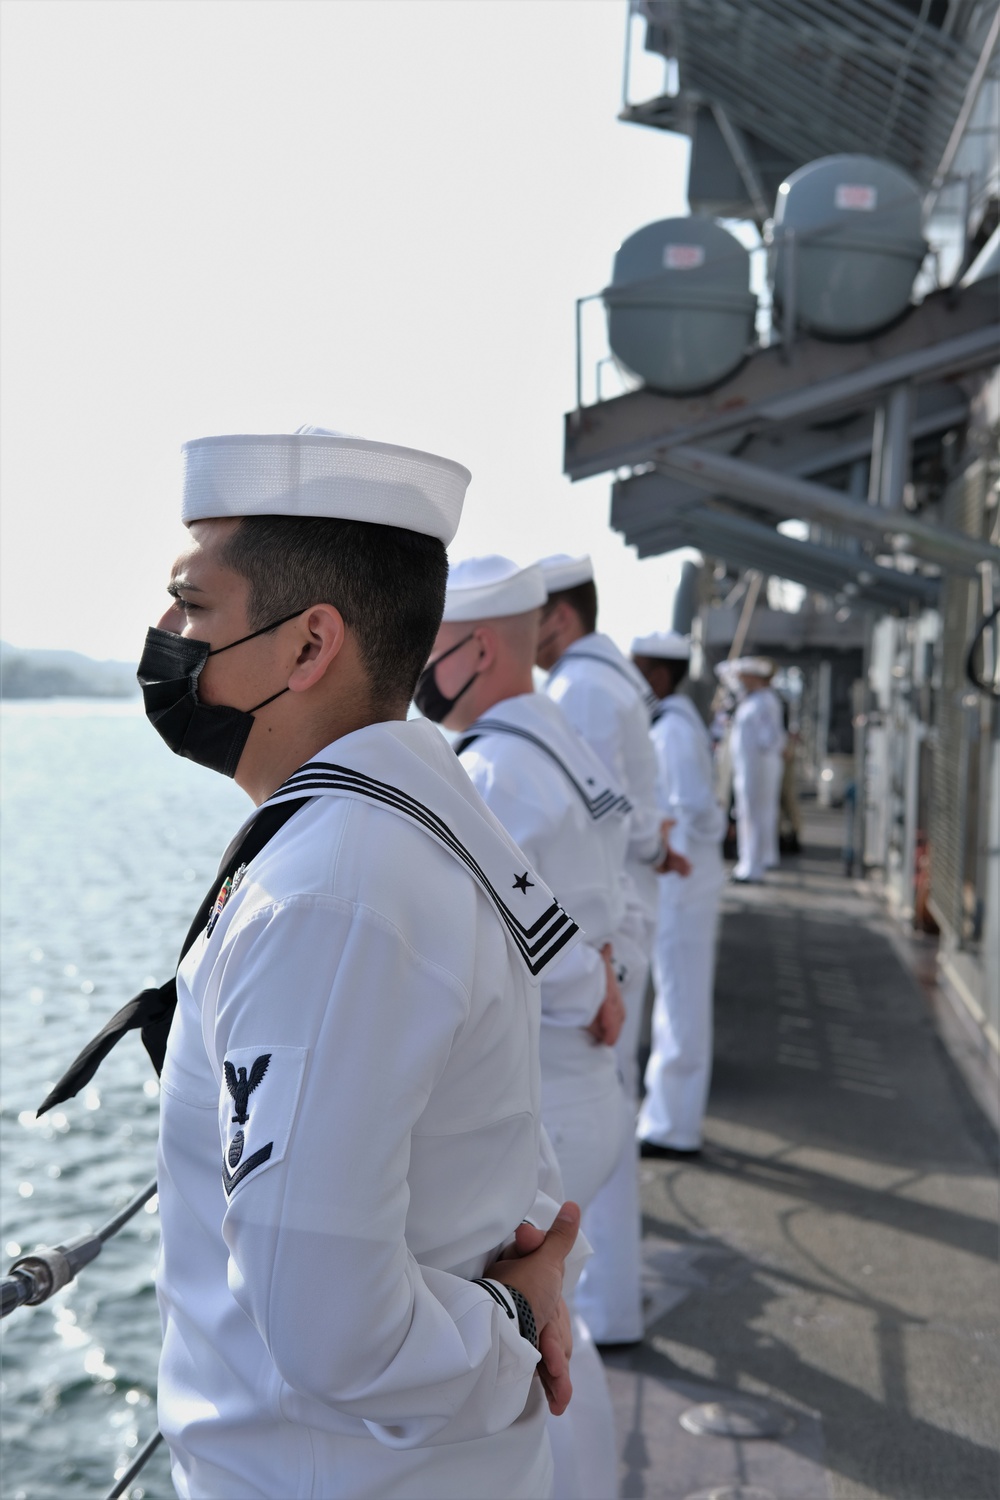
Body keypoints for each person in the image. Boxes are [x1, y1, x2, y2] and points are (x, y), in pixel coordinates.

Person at [140, 428, 585, 1500]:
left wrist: (519, 1322)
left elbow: (332, 1331)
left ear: (308, 646)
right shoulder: (402, 813)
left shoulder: (329, 897)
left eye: (194, 607)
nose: (163, 634)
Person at [417, 554, 645, 1500]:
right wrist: (611, 980)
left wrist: (586, 989)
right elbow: (617, 890)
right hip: (589, 1085)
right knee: (566, 1332)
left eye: (427, 647)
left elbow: (536, 949)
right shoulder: (558, 739)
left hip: (545, 1101)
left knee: (535, 1351)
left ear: (472, 649)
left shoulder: (493, 772)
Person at [533, 553, 687, 1346]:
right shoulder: (612, 680)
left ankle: (598, 1310)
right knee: (607, 1107)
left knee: (593, 1108)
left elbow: (589, 828)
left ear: (557, 617)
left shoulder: (581, 689)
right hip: (623, 920)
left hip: (604, 932)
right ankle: (603, 1306)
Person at [631, 632, 726, 1158]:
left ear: (659, 675)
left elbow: (692, 808)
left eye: (639, 668)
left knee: (680, 1002)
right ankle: (669, 1117)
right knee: (677, 999)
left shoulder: (670, 731)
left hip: (683, 884)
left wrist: (670, 850)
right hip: (686, 881)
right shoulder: (677, 723)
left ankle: (673, 1126)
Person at [728, 656, 786, 883]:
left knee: (753, 815)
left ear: (755, 677)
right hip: (752, 766)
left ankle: (753, 866)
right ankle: (753, 861)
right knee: (751, 814)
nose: (740, 679)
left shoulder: (763, 702)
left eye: (744, 675)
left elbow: (769, 739)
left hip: (758, 767)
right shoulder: (755, 699)